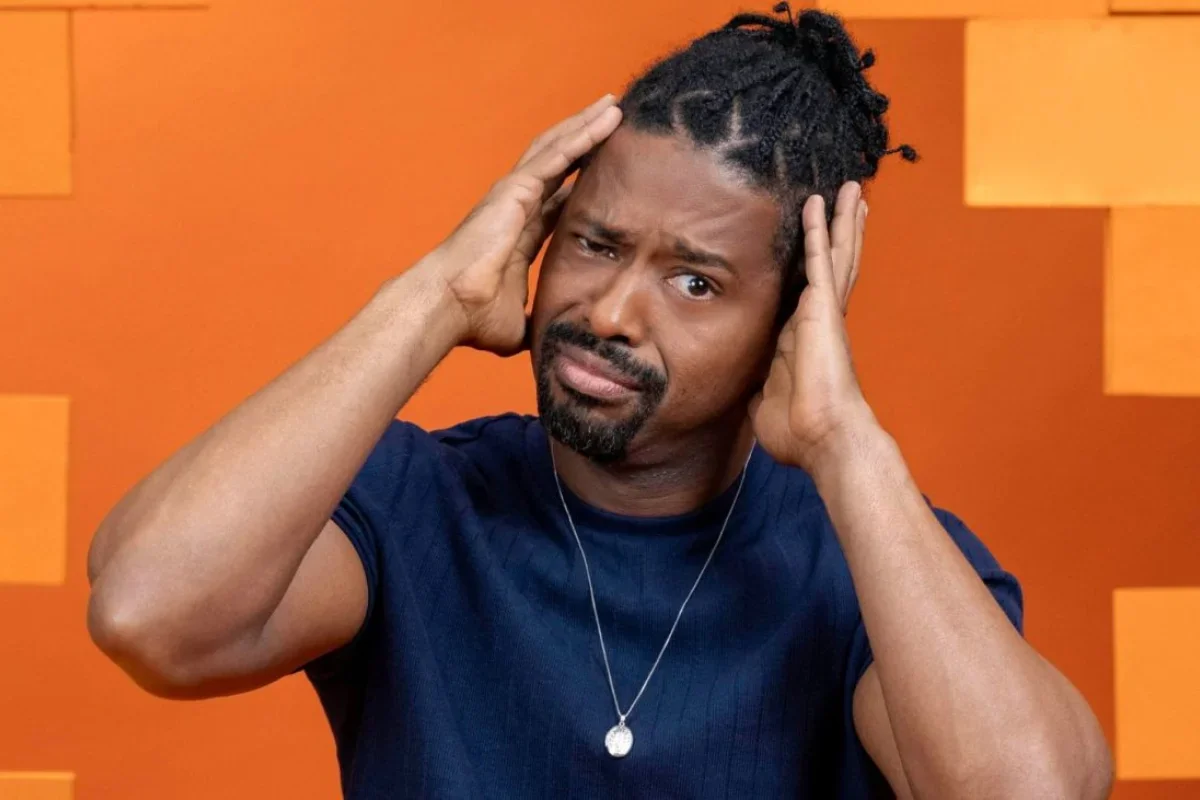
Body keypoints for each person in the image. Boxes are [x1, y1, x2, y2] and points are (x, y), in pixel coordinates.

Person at [86, 5, 1112, 798]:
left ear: (791, 320)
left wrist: (845, 442)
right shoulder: (414, 503)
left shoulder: (873, 565)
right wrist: (437, 295)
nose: (612, 312)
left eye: (695, 281)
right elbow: (149, 614)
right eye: (596, 243)